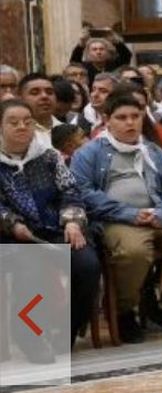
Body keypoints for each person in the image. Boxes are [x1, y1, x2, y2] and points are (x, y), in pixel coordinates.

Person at [71, 90, 162, 342]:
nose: (130, 123)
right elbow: (84, 194)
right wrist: (130, 213)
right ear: (107, 120)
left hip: (158, 215)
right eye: (122, 117)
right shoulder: (89, 153)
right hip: (117, 219)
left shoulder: (155, 152)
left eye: (135, 116)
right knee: (135, 252)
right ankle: (125, 310)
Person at [0, 99, 99, 346]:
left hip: (54, 229)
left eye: (27, 122)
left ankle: (68, 330)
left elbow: (71, 191)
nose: (22, 127)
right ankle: (29, 335)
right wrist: (11, 224)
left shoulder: (49, 156)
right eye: (13, 122)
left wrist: (72, 221)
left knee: (87, 265)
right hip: (11, 237)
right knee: (32, 269)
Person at [17, 73, 62, 151]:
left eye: (49, 92)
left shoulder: (69, 130)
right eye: (35, 93)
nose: (44, 96)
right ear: (20, 99)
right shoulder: (14, 134)